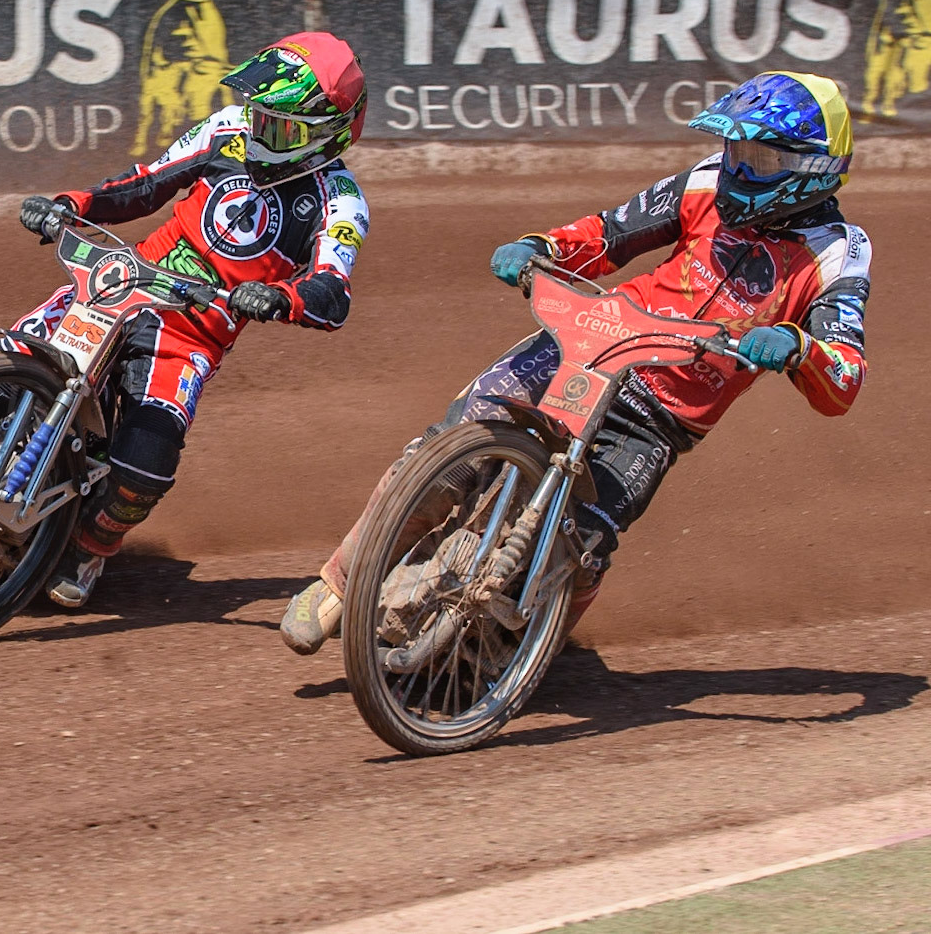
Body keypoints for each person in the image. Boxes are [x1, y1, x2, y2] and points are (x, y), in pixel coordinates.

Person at [281, 71, 871, 654]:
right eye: (735, 149)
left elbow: (843, 376)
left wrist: (800, 347)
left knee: (584, 543)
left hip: (662, 417)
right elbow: (611, 233)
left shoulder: (838, 252)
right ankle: (337, 584)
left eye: (761, 160)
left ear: (811, 167)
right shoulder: (706, 182)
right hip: (591, 340)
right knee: (453, 447)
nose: (740, 168)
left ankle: (526, 653)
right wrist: (546, 248)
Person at [0, 34, 373, 610]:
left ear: (329, 133)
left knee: (146, 462)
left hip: (191, 328)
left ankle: (90, 545)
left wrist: (279, 298)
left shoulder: (338, 200)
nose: (261, 130)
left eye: (282, 126)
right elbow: (145, 184)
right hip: (121, 278)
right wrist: (72, 203)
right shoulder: (228, 129)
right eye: (259, 114)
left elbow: (331, 290)